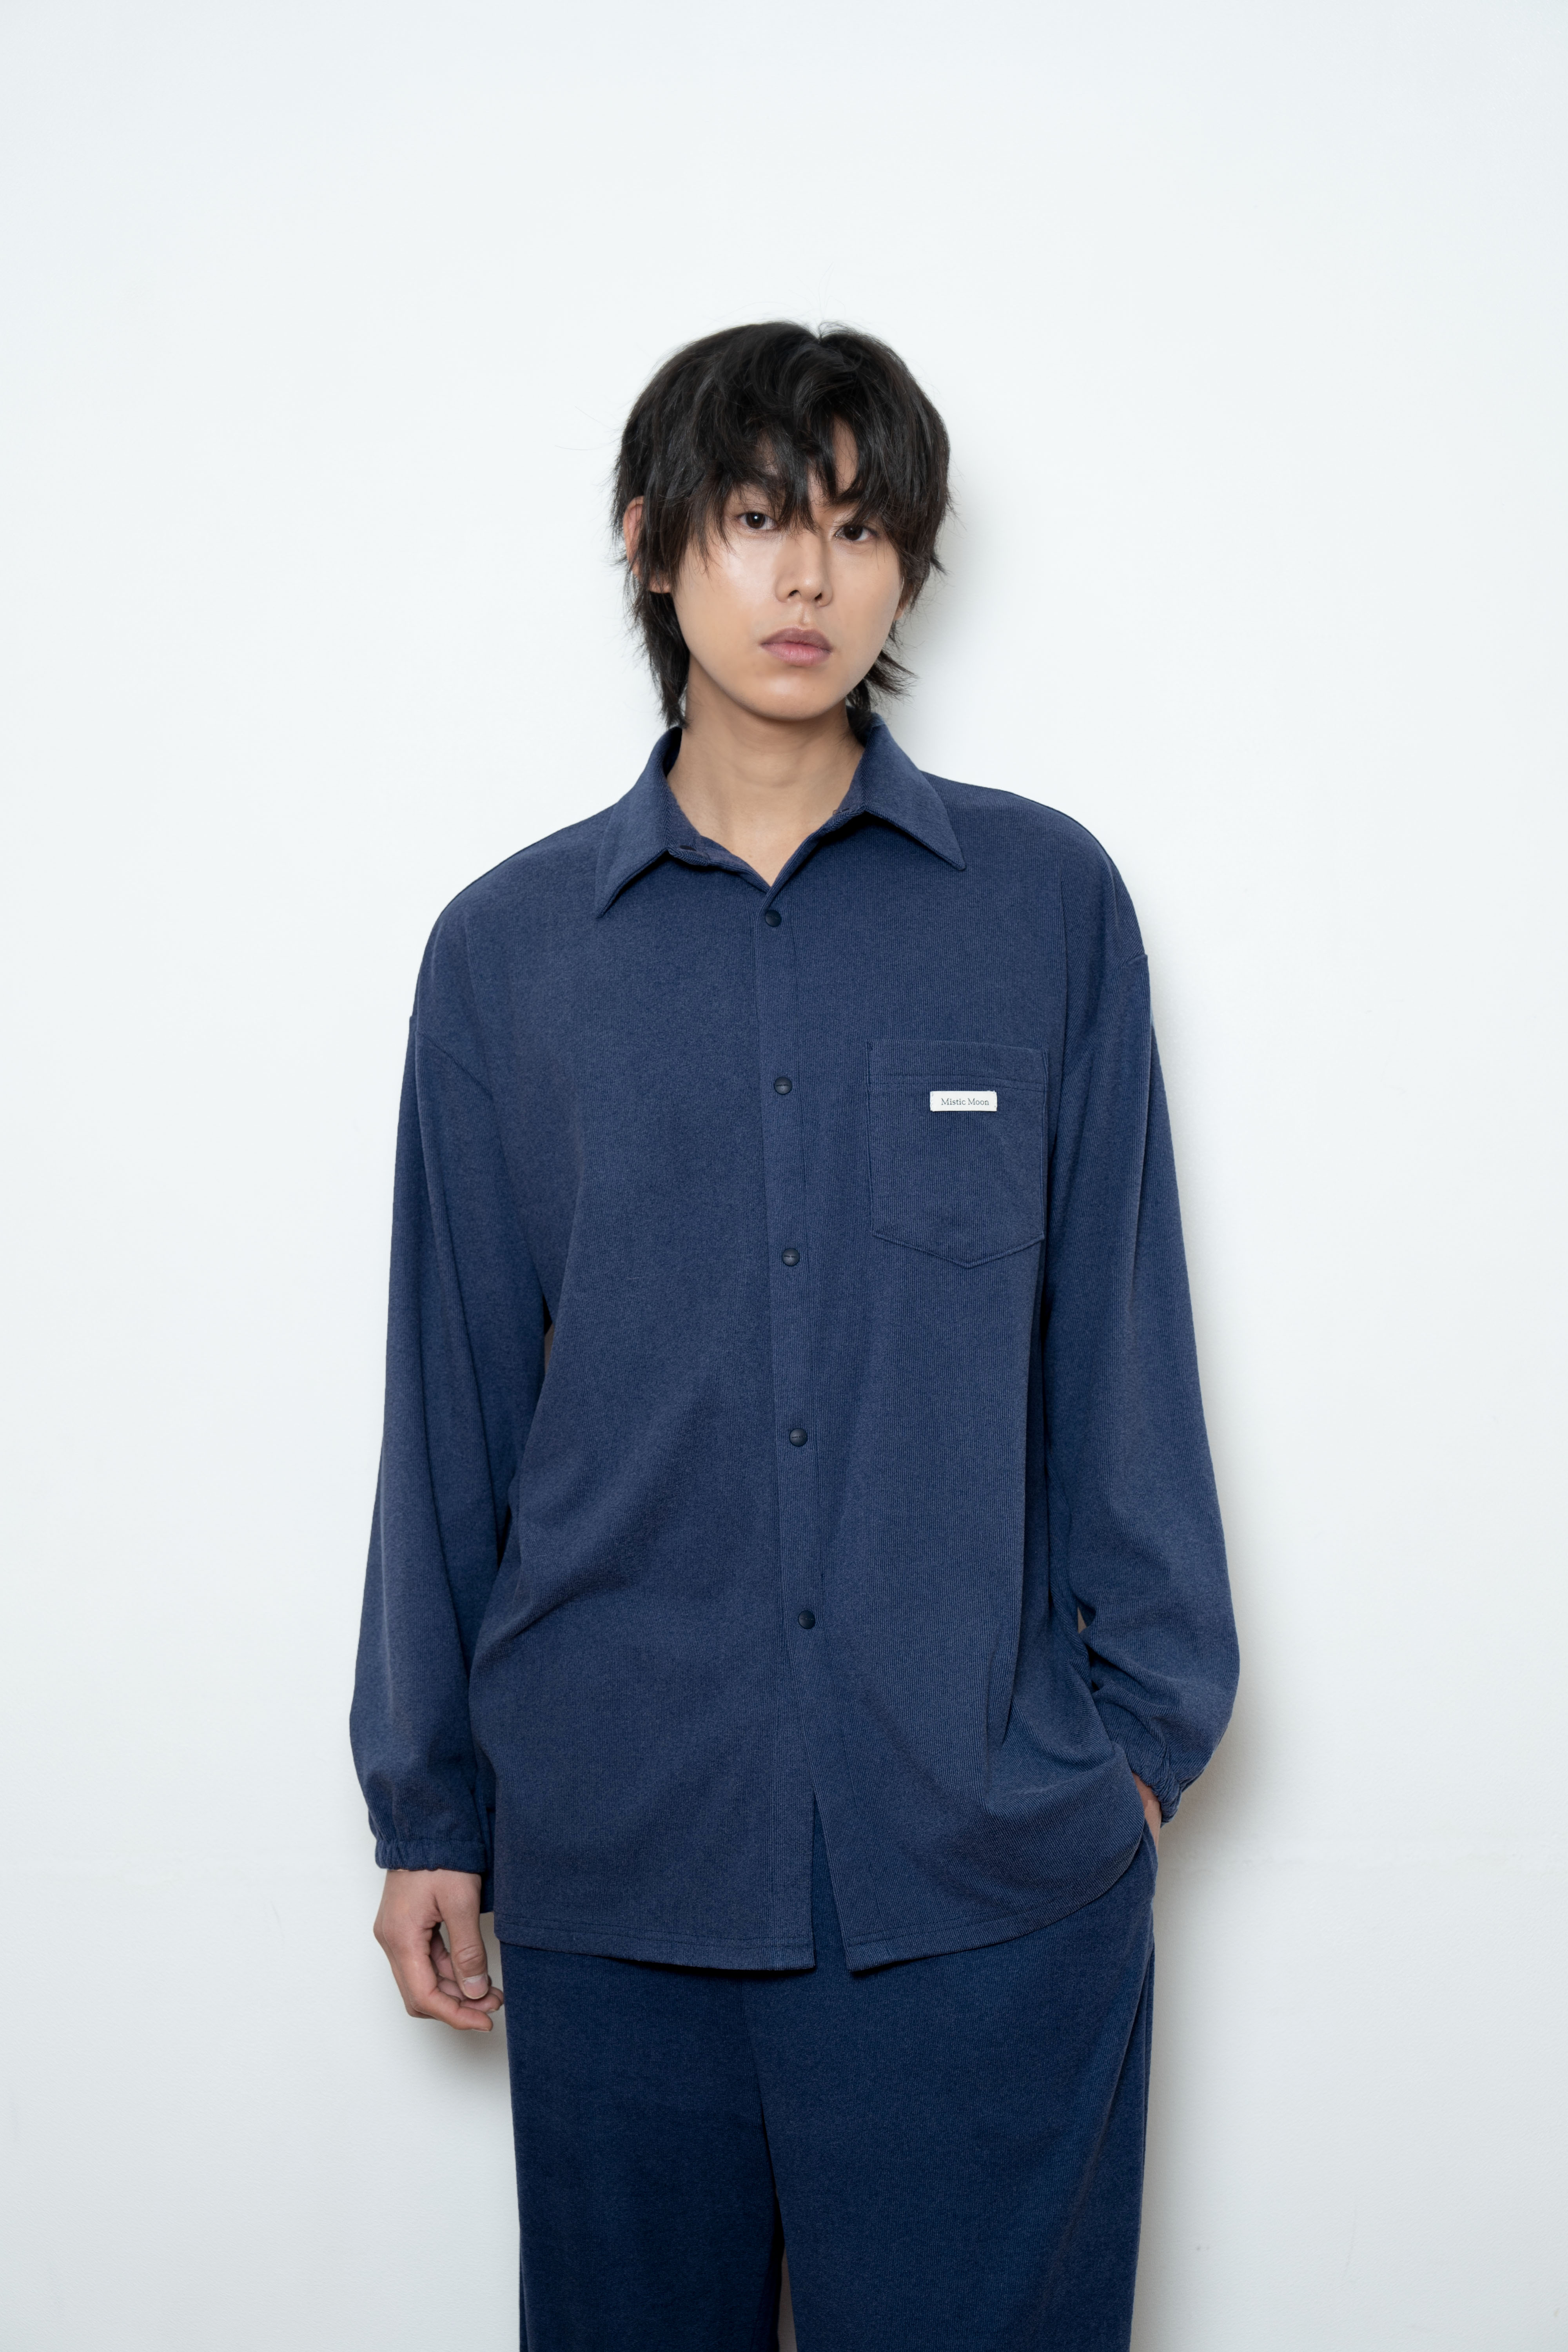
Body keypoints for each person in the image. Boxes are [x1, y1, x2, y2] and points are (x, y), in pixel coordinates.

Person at [350, 319, 1238, 2352]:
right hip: (621, 1869)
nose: (808, 577)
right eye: (758, 519)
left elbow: (1120, 1339)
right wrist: (430, 1809)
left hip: (984, 1882)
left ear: (911, 561)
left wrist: (1136, 1757)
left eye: (857, 527)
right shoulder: (507, 959)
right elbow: (451, 1402)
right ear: (652, 542)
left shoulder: (1042, 906)